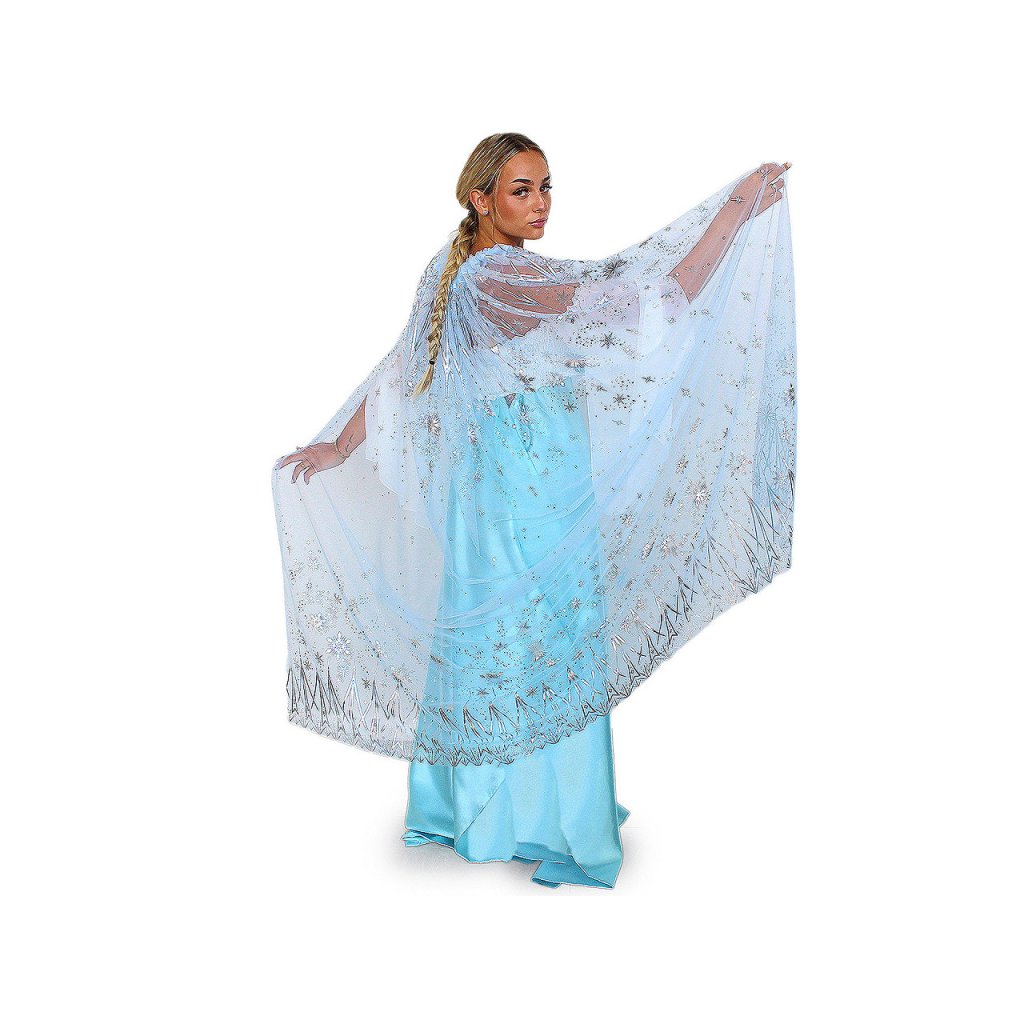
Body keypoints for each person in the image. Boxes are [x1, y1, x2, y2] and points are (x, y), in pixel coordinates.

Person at [272, 133, 794, 889]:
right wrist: (735, 211)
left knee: (500, 634)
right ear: (480, 198)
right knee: (550, 635)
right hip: (530, 483)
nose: (541, 204)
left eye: (547, 187)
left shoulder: (457, 269)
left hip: (502, 480)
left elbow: (401, 367)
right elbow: (661, 299)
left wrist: (341, 444)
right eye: (522, 190)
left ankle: (478, 807)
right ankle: (542, 819)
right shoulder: (500, 277)